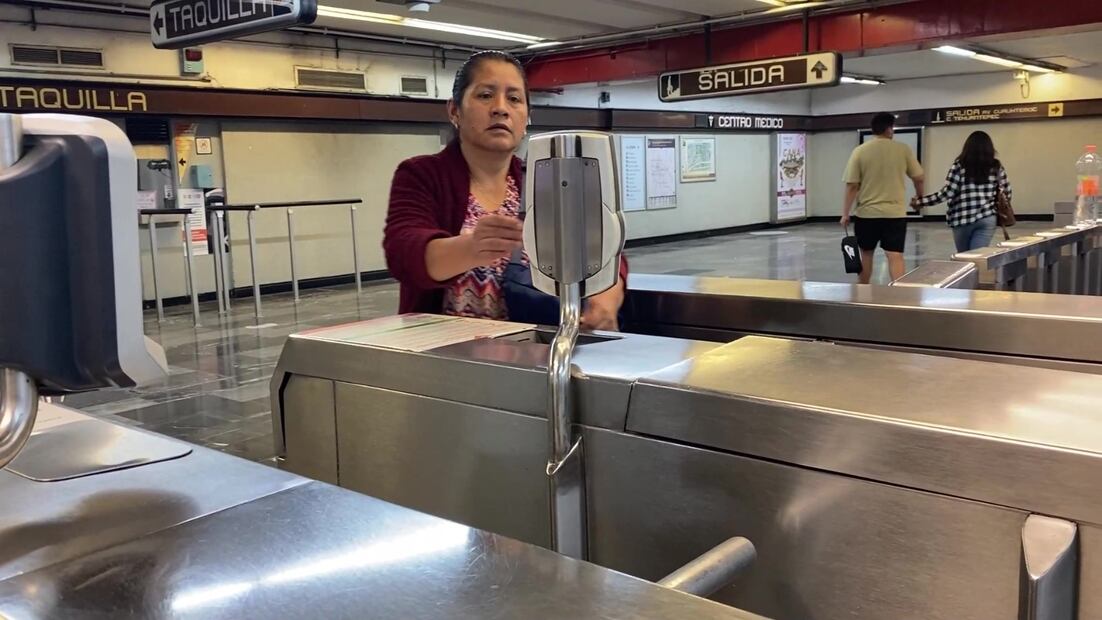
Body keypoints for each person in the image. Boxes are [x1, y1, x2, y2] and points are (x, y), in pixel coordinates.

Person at [384, 50, 626, 330]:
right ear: (454, 110)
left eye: (514, 99)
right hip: (449, 356)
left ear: (527, 117)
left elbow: (605, 243)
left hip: (535, 352)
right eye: (485, 95)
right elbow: (404, 253)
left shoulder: (544, 178)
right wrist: (471, 247)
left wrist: (607, 297)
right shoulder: (421, 174)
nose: (501, 108)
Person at [840, 112, 925, 284]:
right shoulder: (903, 149)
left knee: (866, 254)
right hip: (895, 214)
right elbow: (919, 177)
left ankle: (862, 293)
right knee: (895, 256)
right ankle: (898, 297)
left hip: (867, 214)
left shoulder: (860, 151)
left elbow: (852, 185)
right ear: (889, 129)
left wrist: (845, 213)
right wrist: (919, 196)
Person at [911, 131, 1012, 252]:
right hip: (987, 218)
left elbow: (947, 193)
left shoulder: (959, 166)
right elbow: (1007, 193)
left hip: (962, 218)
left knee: (964, 260)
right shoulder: (996, 167)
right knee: (977, 258)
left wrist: (921, 202)